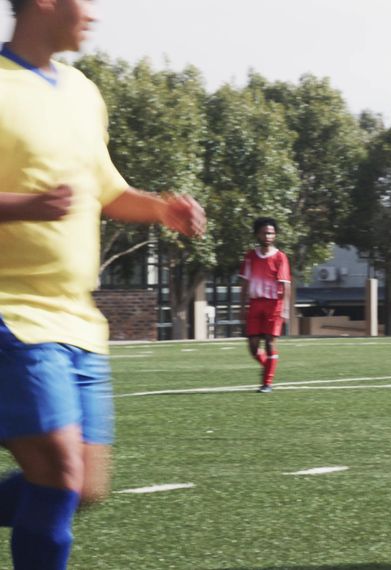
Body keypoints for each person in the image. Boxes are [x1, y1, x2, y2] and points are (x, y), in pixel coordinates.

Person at [0, 0, 206, 567]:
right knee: (58, 475)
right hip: (11, 314)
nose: (93, 12)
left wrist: (161, 210)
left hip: (78, 320)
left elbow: (107, 191)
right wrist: (26, 206)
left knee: (85, 486)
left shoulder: (82, 92)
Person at [238, 217, 291, 393]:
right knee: (253, 347)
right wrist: (242, 306)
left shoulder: (280, 257)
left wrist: (285, 309)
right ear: (257, 234)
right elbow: (245, 282)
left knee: (269, 343)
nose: (268, 236)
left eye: (271, 233)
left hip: (273, 304)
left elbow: (285, 284)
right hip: (255, 303)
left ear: (275, 235)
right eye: (265, 232)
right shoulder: (250, 256)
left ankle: (267, 383)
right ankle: (268, 365)